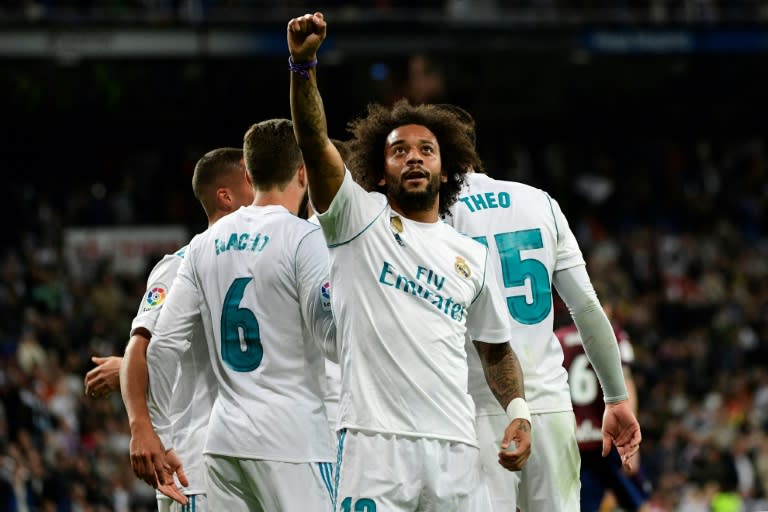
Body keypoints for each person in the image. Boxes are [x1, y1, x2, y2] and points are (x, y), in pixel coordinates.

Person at [288, 12, 531, 511]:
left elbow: (496, 350)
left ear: (447, 171)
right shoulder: (357, 220)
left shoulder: (472, 255)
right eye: (399, 151)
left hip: (456, 449)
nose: (414, 158)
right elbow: (314, 144)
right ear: (379, 173)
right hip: (374, 445)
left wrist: (520, 411)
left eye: (426, 150)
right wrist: (302, 66)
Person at [442, 107, 642, 511]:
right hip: (550, 404)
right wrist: (617, 399)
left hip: (473, 408)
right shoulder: (540, 202)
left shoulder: (433, 216)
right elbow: (586, 309)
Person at [141, 118, 338, 511]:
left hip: (224, 444)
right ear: (303, 172)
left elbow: (161, 347)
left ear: (249, 173)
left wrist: (160, 434)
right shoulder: (304, 237)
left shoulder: (201, 245)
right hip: (293, 441)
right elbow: (332, 340)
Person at [90, 147, 255, 510]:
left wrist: (126, 369)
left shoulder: (264, 259)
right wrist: (141, 428)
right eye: (250, 178)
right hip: (195, 467)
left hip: (253, 463)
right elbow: (145, 344)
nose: (260, 186)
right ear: (225, 197)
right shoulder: (180, 264)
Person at [556, 303, 650, 512]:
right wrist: (631, 435)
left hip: (575, 441)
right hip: (610, 438)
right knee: (639, 503)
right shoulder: (614, 334)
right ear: (605, 308)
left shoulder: (558, 338)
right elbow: (626, 383)